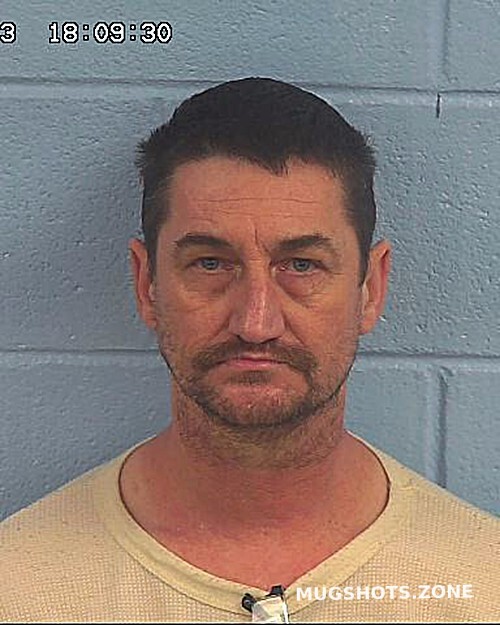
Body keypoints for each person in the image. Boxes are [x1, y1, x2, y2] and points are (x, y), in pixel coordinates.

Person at [1, 77, 498, 624]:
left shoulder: (484, 582)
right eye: (210, 264)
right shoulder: (18, 586)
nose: (256, 324)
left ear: (371, 290)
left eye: (302, 265)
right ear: (147, 285)